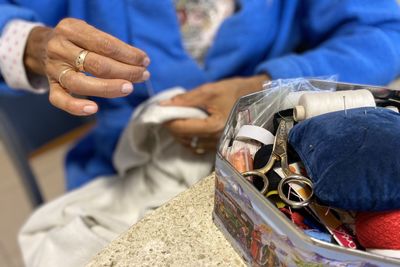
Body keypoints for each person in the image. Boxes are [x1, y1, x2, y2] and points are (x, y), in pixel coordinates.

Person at [1, 0, 400, 190]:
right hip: (120, 172)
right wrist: (35, 45)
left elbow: (386, 32)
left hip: (279, 162)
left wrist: (264, 90)